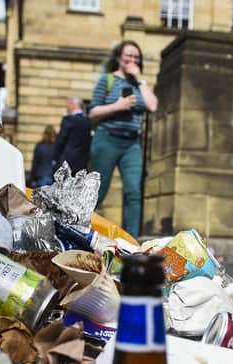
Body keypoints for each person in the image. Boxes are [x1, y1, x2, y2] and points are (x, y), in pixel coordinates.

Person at [89, 40, 158, 237]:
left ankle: (131, 242)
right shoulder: (107, 80)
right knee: (98, 192)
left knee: (133, 193)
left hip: (131, 144)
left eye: (136, 57)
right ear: (119, 57)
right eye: (129, 55)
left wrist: (140, 79)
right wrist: (116, 106)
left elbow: (152, 106)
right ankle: (79, 230)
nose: (132, 59)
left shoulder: (139, 83)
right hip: (106, 139)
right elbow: (92, 112)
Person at [53, 96, 92, 174]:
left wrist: (55, 158)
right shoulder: (88, 121)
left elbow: (61, 140)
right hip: (82, 163)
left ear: (72, 104)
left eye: (67, 105)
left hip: (66, 162)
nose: (67, 107)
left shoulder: (68, 119)